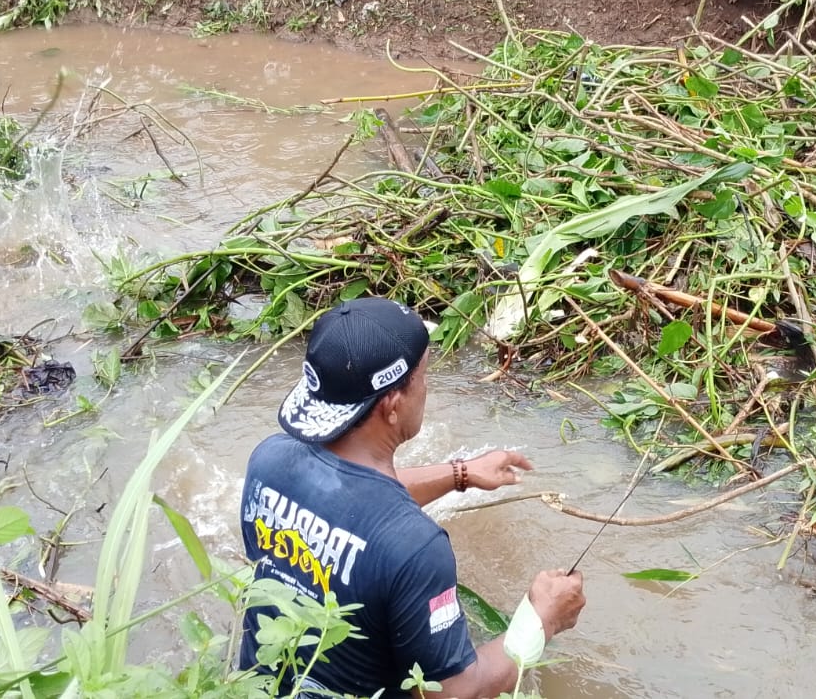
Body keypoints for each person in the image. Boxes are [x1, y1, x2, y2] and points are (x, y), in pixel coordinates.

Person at [239, 297, 586, 698]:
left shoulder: (270, 459)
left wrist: (462, 474)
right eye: (423, 376)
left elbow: (352, 502)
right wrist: (544, 618)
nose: (427, 387)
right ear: (392, 405)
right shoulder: (418, 548)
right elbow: (454, 692)